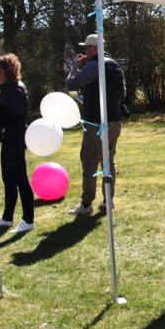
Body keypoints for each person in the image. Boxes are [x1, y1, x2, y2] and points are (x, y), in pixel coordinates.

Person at [65, 34, 126, 215]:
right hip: (114, 120)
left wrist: (75, 65)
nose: (85, 51)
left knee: (90, 162)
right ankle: (108, 200)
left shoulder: (94, 65)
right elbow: (121, 94)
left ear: (94, 48)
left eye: (86, 48)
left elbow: (71, 85)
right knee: (108, 160)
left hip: (96, 122)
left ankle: (86, 205)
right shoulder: (115, 66)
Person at [0, 54, 35, 233]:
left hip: (16, 140)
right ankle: (7, 217)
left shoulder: (16, 90)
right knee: (8, 180)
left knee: (21, 180)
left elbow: (16, 118)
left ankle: (28, 220)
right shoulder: (7, 89)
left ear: (8, 72)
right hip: (8, 140)